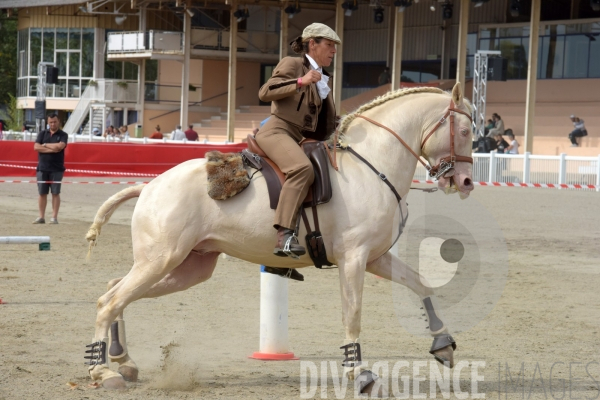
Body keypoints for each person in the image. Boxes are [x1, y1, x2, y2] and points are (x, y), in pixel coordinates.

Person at [257, 22, 339, 260]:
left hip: (302, 138)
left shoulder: (323, 78)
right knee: (302, 170)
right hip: (278, 131)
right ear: (312, 44)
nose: (334, 51)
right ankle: (284, 237)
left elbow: (323, 121)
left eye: (335, 47)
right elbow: (265, 92)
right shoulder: (293, 64)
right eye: (329, 45)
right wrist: (300, 82)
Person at [33, 114, 68, 224]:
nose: (53, 124)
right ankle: (41, 217)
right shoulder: (42, 133)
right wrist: (52, 149)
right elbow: (36, 147)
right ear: (48, 123)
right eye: (51, 122)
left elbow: (60, 147)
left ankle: (54, 217)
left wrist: (45, 145)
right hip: (42, 168)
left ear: (59, 122)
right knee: (42, 193)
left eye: (55, 122)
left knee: (55, 192)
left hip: (57, 168)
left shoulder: (63, 134)